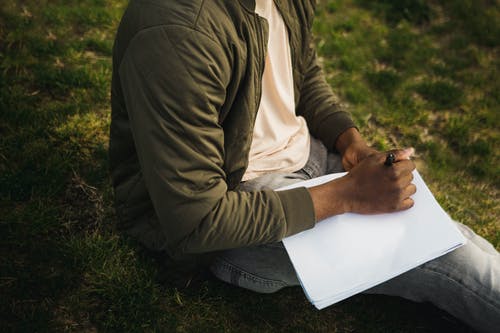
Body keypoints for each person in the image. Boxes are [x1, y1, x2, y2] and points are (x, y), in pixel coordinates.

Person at [109, 1, 499, 331]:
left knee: (444, 232)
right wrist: (347, 194)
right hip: (239, 206)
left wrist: (350, 142)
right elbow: (198, 221)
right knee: (446, 258)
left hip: (309, 158)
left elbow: (302, 72)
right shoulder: (176, 32)